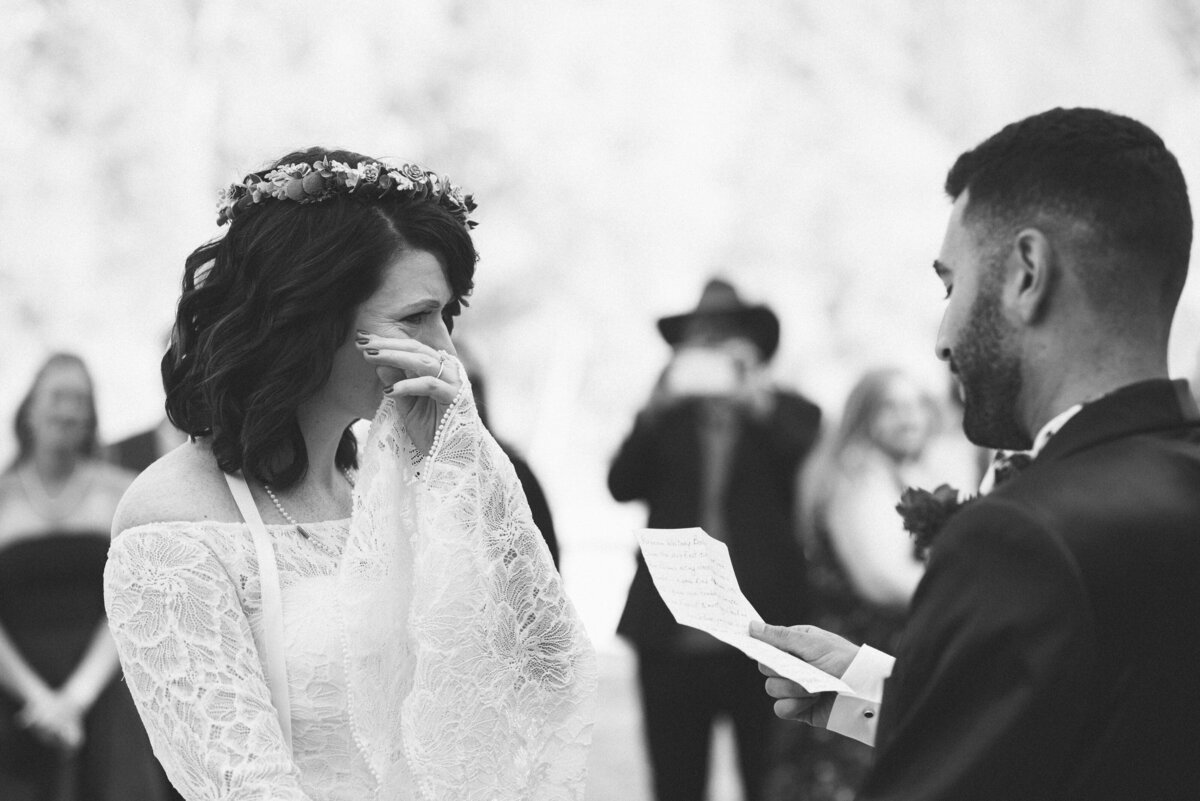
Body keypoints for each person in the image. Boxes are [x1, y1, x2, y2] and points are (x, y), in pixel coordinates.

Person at [102, 150, 596, 801]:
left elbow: (542, 665)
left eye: (446, 318)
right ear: (311, 319)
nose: (444, 351)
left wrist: (460, 465)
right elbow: (243, 784)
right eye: (415, 318)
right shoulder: (173, 517)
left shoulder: (387, 482)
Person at [751, 107, 1200, 800]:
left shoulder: (1020, 536)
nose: (941, 335)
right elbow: (1098, 726)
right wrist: (875, 689)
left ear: (1027, 273)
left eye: (950, 284)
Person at [608, 277, 822, 801]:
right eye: (703, 335)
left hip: (762, 629)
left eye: (727, 334)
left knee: (768, 779)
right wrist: (653, 409)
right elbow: (620, 484)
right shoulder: (666, 417)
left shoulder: (790, 412)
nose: (713, 345)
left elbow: (811, 473)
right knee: (676, 782)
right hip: (671, 629)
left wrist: (758, 402)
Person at [0, 353, 170, 801]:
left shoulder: (122, 490)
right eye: (58, 396)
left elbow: (134, 597)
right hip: (14, 696)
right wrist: (39, 699)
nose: (69, 410)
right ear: (30, 407)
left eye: (81, 400)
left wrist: (78, 695)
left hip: (105, 690)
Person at [781, 368, 956, 800]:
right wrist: (972, 589)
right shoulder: (858, 478)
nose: (908, 418)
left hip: (879, 668)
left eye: (916, 404)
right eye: (891, 407)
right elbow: (884, 581)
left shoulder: (902, 472)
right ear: (863, 417)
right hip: (855, 665)